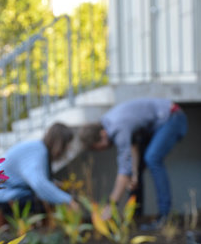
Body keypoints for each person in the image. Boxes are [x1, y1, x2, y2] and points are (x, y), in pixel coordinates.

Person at [79, 97, 188, 229]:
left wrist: (111, 204)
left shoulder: (118, 127)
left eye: (99, 147)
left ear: (102, 134)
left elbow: (124, 170)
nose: (102, 150)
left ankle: (165, 217)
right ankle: (136, 216)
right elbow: (133, 146)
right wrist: (135, 174)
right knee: (137, 170)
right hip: (159, 123)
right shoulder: (108, 123)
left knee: (152, 158)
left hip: (172, 117)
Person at [0, 122, 80, 226]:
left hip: (5, 191)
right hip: (1, 194)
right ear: (60, 143)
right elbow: (39, 184)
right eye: (67, 144)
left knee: (50, 195)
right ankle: (1, 221)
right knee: (44, 202)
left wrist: (56, 185)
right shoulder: (39, 151)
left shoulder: (38, 149)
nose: (68, 149)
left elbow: (34, 178)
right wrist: (69, 201)